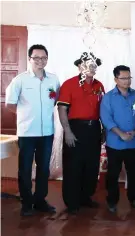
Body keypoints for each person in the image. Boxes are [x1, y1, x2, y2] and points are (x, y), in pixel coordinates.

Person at [5, 44, 59, 216]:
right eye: (36, 58)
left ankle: (40, 200)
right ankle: (27, 203)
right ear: (29, 59)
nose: (40, 61)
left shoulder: (53, 79)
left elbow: (55, 100)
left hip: (47, 132)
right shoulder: (20, 80)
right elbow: (10, 104)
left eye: (44, 58)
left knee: (44, 168)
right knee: (25, 169)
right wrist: (26, 115)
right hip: (27, 132)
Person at [57, 52, 105, 214]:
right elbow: (62, 109)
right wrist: (68, 131)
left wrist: (103, 129)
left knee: (91, 165)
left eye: (93, 64)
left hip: (94, 129)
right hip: (75, 128)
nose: (90, 67)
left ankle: (86, 197)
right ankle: (72, 202)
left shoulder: (99, 86)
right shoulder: (69, 84)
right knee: (73, 166)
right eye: (87, 64)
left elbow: (103, 109)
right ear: (79, 67)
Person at [100, 65, 135, 213]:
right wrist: (121, 134)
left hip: (133, 142)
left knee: (133, 172)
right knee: (113, 173)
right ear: (115, 79)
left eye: (129, 78)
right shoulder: (108, 97)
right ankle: (112, 201)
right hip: (115, 143)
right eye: (123, 78)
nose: (127, 81)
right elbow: (106, 119)